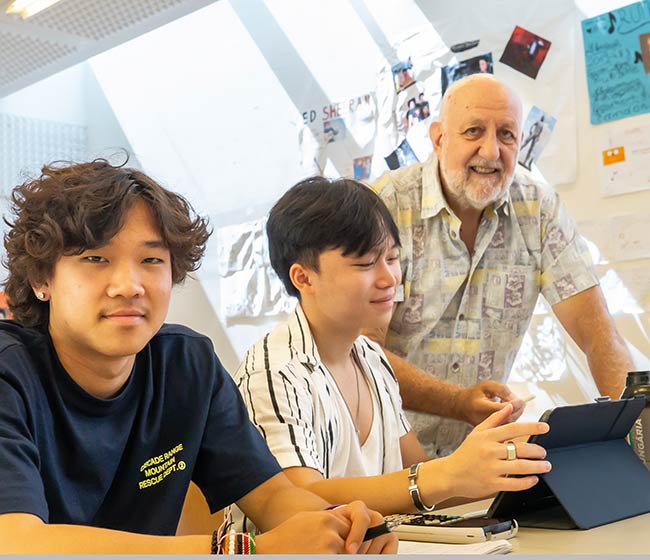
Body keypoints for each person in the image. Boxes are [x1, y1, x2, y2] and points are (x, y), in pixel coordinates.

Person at [0, 159, 394, 554]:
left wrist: (341, 523)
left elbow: (273, 497)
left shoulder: (187, 366)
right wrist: (240, 550)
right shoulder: (10, 374)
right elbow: (18, 542)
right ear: (41, 279)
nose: (128, 285)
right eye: (95, 259)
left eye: (151, 260)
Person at [232, 176, 551, 524]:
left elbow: (420, 476)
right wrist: (443, 475)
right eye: (366, 264)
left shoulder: (371, 359)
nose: (389, 279)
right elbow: (298, 499)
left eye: (393, 258)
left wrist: (509, 468)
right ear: (303, 278)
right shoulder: (275, 372)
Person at [370, 74, 634, 457]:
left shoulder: (539, 209)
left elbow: (600, 336)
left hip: (475, 465)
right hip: (380, 462)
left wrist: (635, 434)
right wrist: (458, 402)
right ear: (440, 139)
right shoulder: (384, 206)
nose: (491, 151)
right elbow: (361, 352)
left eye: (507, 134)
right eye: (474, 131)